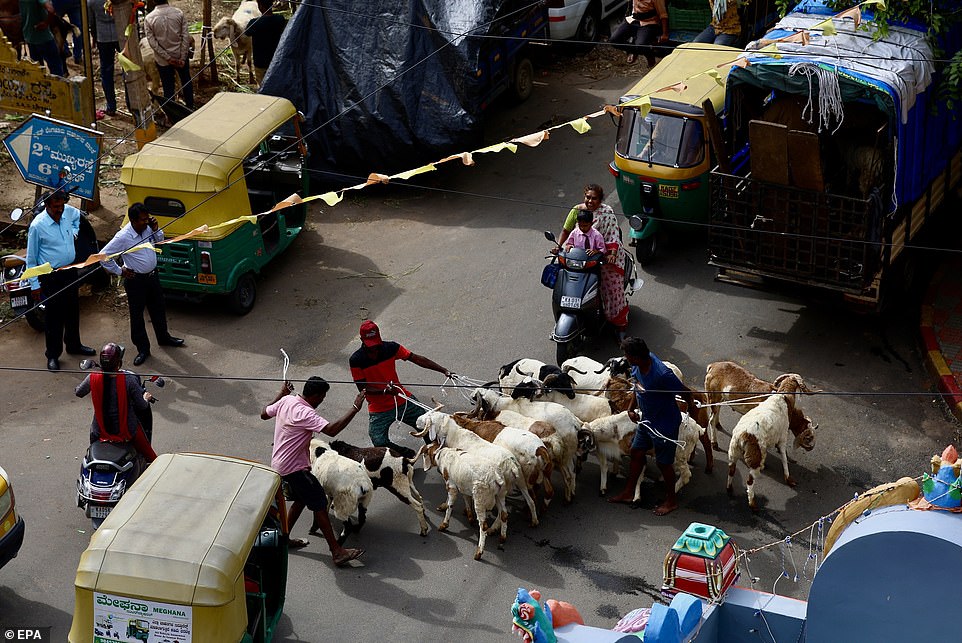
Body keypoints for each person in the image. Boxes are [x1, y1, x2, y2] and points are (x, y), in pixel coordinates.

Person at [260, 376, 366, 567]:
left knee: (301, 500)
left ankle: (284, 539)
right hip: (294, 469)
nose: (322, 401)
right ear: (316, 395)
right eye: (322, 397)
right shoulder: (305, 412)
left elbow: (264, 414)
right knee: (319, 503)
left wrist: (281, 393)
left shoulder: (287, 400)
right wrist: (355, 408)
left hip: (279, 464)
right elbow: (332, 430)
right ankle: (337, 551)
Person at [608, 337, 689, 515]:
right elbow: (637, 388)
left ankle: (671, 501)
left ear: (636, 356)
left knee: (663, 463)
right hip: (647, 420)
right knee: (636, 452)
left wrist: (691, 410)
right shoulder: (637, 366)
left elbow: (686, 392)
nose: (625, 357)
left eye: (627, 354)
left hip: (664, 424)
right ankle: (629, 493)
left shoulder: (662, 375)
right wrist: (631, 409)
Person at [349, 320, 452, 458]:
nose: (374, 348)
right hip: (379, 408)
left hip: (401, 399)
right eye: (370, 345)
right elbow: (362, 387)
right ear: (362, 340)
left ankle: (435, 454)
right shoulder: (356, 359)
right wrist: (385, 390)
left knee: (427, 426)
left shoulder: (390, 348)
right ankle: (404, 454)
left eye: (375, 343)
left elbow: (416, 359)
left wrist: (443, 370)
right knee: (379, 441)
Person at [99, 203, 184, 367]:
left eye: (147, 219)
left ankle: (164, 337)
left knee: (158, 308)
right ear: (132, 220)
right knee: (137, 316)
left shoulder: (148, 229)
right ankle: (143, 349)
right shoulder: (123, 237)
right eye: (142, 220)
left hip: (152, 276)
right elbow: (103, 256)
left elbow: (160, 241)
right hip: (136, 281)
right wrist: (119, 271)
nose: (146, 222)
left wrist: (156, 229)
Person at [25, 190, 95, 371]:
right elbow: (31, 259)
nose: (59, 210)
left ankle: (74, 345)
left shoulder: (67, 214)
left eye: (61, 205)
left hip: (70, 272)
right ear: (47, 206)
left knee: (72, 310)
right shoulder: (37, 226)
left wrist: (74, 232)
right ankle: (53, 355)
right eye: (55, 207)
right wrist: (34, 285)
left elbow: (77, 216)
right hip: (51, 277)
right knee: (54, 317)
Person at [557, 184, 630, 339]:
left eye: (594, 198)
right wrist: (558, 247)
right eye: (588, 197)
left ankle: (620, 325)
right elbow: (566, 231)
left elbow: (613, 237)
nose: (590, 201)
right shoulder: (577, 210)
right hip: (579, 260)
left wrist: (611, 254)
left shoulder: (607, 212)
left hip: (604, 257)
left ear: (600, 199)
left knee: (612, 288)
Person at [75, 342, 157, 464]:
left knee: (93, 453)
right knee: (152, 458)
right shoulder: (129, 380)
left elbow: (79, 392)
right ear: (119, 363)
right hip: (128, 430)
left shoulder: (93, 377)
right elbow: (142, 406)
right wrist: (146, 397)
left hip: (99, 430)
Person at [145, 0, 194, 109]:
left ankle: (172, 116)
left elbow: (152, 43)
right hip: (180, 57)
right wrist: (182, 56)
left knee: (168, 87)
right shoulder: (179, 13)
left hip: (163, 61)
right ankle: (190, 108)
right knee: (186, 81)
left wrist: (168, 58)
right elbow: (185, 36)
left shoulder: (149, 18)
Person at [608, 0, 668, 67]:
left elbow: (663, 15)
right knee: (614, 40)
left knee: (640, 45)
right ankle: (635, 51)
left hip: (649, 22)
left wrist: (665, 34)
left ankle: (649, 55)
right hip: (633, 20)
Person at [88, 0, 121, 116]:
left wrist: (94, 37)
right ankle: (131, 104)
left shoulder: (92, 1)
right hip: (120, 34)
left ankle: (111, 106)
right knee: (128, 69)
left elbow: (91, 22)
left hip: (103, 37)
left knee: (106, 72)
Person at [244, 0, 287, 86]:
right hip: (276, 60)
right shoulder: (280, 19)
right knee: (276, 85)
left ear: (260, 6)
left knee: (262, 86)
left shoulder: (254, 23)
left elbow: (247, 32)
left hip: (260, 63)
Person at [19, 0, 66, 76]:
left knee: (37, 69)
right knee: (56, 68)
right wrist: (46, 23)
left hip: (30, 37)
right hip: (44, 38)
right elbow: (51, 9)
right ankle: (59, 87)